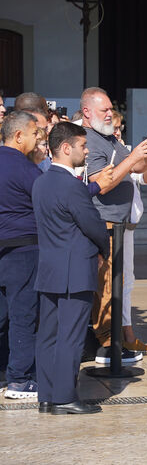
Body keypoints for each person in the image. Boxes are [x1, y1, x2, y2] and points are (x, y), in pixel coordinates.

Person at [32, 123, 111, 414]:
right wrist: (103, 249)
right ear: (66, 148)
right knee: (70, 336)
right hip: (75, 271)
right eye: (82, 145)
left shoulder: (40, 182)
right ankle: (64, 398)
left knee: (48, 335)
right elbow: (94, 226)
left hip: (50, 269)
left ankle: (47, 396)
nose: (86, 150)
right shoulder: (72, 186)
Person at [81, 87, 147, 366]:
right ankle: (107, 344)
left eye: (111, 109)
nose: (110, 114)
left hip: (122, 225)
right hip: (104, 223)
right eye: (104, 110)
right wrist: (133, 157)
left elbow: (136, 169)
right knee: (106, 287)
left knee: (120, 283)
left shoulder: (110, 138)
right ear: (87, 112)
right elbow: (103, 182)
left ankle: (116, 340)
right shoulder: (88, 141)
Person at [0, 111, 41, 400]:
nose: (38, 139)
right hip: (24, 250)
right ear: (18, 136)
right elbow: (50, 199)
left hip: (3, 248)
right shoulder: (24, 168)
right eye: (34, 134)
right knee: (23, 314)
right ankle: (19, 380)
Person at [110, 111, 147, 354]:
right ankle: (118, 334)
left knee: (128, 281)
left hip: (128, 227)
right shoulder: (104, 151)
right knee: (114, 282)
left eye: (120, 127)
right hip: (110, 226)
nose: (117, 131)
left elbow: (145, 179)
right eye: (113, 126)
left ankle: (126, 332)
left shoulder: (128, 151)